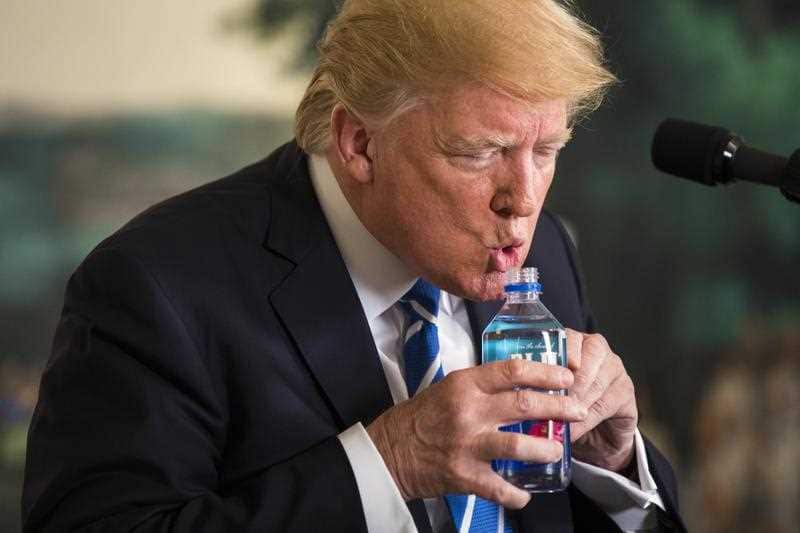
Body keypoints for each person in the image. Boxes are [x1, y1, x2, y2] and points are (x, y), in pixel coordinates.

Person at [22, 1, 686, 531]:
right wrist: (389, 463)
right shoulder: (154, 285)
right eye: (482, 151)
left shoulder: (543, 253)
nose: (525, 199)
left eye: (547, 149)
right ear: (359, 142)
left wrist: (613, 463)